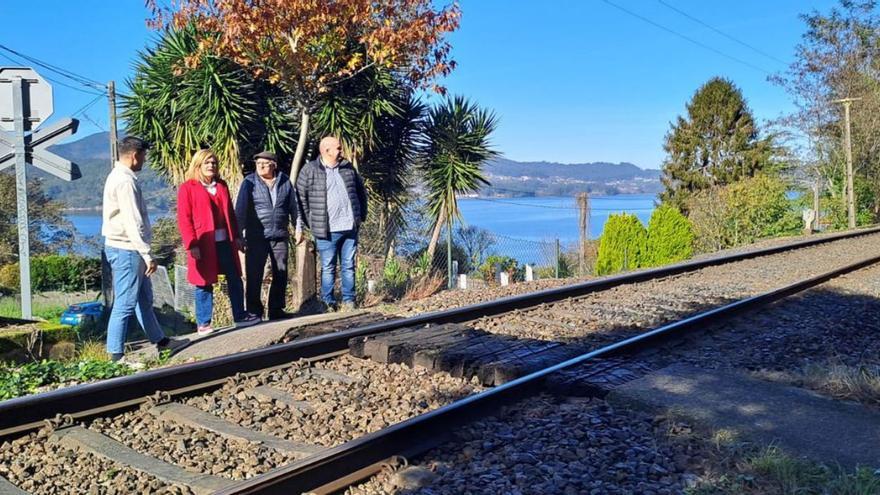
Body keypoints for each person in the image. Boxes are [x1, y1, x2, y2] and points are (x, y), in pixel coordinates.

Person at [102, 136, 187, 361]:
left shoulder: (118, 176)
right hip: (127, 249)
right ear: (134, 155)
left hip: (124, 248)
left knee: (143, 299)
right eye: (143, 156)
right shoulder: (125, 181)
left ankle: (162, 342)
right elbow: (132, 221)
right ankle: (115, 356)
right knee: (125, 303)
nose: (144, 160)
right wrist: (147, 254)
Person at [177, 149, 261, 335]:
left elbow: (230, 213)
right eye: (207, 163)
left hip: (225, 242)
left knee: (235, 279)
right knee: (204, 282)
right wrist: (192, 244)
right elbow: (184, 218)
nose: (211, 166)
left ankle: (240, 316)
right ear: (198, 165)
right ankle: (204, 323)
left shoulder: (221, 185)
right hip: (203, 243)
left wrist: (237, 237)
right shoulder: (187, 188)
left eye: (213, 163)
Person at [295, 136, 367, 311]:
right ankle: (328, 301)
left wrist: (361, 216)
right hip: (326, 230)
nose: (342, 152)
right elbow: (299, 199)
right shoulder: (310, 170)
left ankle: (349, 300)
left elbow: (360, 192)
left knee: (348, 265)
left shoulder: (348, 168)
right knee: (328, 267)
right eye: (339, 148)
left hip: (350, 227)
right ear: (326, 151)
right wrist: (308, 223)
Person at [235, 151, 298, 320]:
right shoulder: (249, 182)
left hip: (279, 234)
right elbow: (240, 210)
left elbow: (294, 207)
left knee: (281, 273)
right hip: (256, 236)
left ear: (274, 165)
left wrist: (298, 228)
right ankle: (255, 312)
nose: (261, 166)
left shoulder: (284, 181)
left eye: (265, 163)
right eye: (258, 163)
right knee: (254, 274)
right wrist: (238, 235)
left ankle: (276, 309)